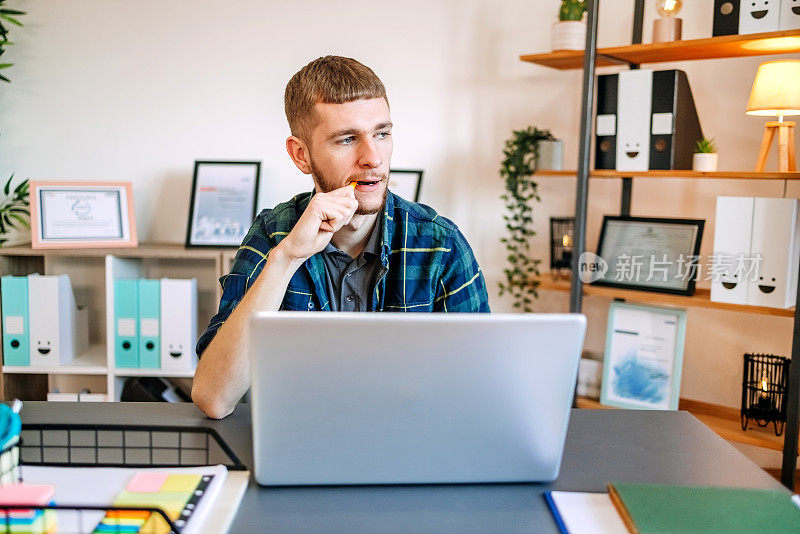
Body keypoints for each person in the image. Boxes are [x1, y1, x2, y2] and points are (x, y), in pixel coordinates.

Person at [192, 56, 490, 419]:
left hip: (410, 443)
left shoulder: (440, 245)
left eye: (382, 133)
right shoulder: (274, 236)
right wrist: (286, 259)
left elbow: (480, 389)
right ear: (302, 155)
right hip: (301, 446)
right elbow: (214, 397)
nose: (373, 158)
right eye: (347, 139)